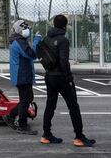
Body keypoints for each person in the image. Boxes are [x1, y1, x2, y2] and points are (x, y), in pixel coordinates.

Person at [40, 14, 95, 147]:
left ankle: (46, 135)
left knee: (50, 105)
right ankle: (79, 137)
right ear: (65, 25)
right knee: (73, 107)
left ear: (54, 24)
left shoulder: (46, 38)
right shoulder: (63, 40)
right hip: (61, 77)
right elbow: (64, 61)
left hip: (49, 75)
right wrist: (68, 77)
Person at [3, 20, 41, 135]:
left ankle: (10, 116)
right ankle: (22, 125)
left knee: (27, 99)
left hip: (22, 74)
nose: (27, 30)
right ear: (19, 31)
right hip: (22, 75)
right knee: (26, 100)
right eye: (24, 28)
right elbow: (32, 54)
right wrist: (36, 40)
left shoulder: (18, 41)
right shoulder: (19, 42)